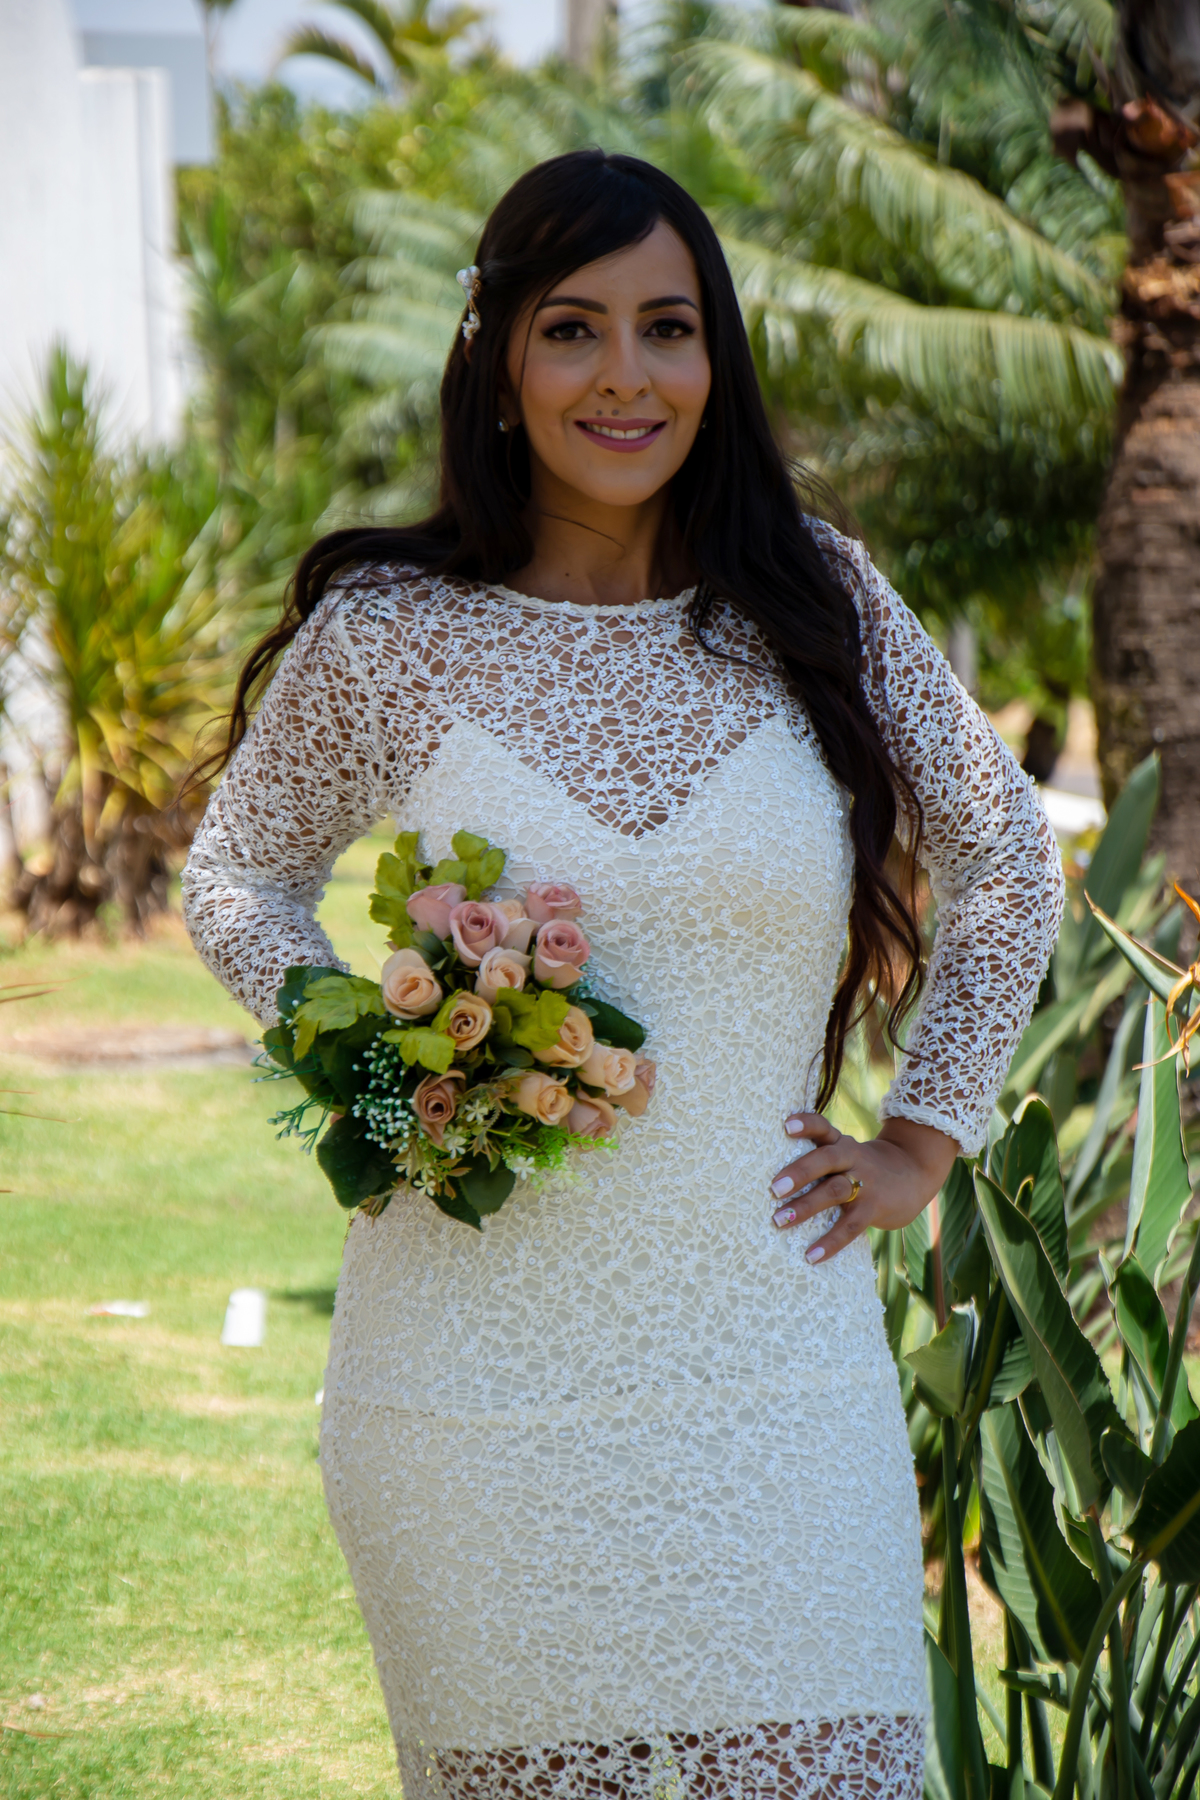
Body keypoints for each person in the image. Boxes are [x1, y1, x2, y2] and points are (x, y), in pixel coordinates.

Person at [183, 149, 1064, 1799]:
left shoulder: (820, 602)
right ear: (500, 359)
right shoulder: (390, 633)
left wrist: (924, 1136)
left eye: (669, 328)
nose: (626, 377)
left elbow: (1013, 859)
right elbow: (236, 876)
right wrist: (380, 1059)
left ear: (715, 357)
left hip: (775, 1373)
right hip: (466, 1385)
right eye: (574, 329)